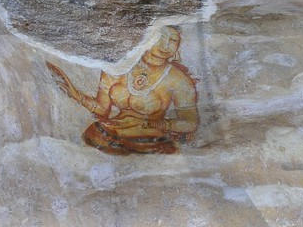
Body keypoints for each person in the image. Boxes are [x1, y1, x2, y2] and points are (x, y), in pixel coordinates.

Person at [46, 26, 199, 154]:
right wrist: (76, 94)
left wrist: (159, 124)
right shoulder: (117, 68)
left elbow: (191, 123)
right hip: (107, 135)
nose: (166, 45)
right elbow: (102, 109)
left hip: (150, 142)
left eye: (173, 40)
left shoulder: (178, 80)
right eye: (161, 37)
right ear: (147, 38)